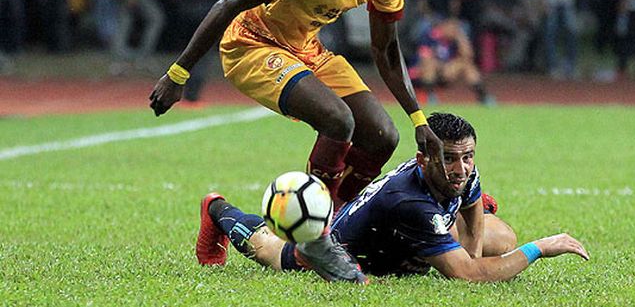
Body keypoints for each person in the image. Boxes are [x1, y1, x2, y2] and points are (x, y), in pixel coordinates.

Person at [149, 0, 443, 280]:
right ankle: (316, 239)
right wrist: (178, 72)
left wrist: (418, 119)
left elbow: (386, 50)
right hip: (253, 42)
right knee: (338, 120)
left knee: (382, 136)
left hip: (306, 48)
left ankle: (337, 221)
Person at [196, 113, 589, 283]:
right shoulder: (408, 200)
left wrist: (466, 252)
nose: (462, 168)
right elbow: (469, 276)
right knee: (272, 251)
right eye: (449, 159)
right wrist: (539, 248)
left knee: (500, 239)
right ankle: (217, 209)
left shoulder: (464, 170)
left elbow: (470, 213)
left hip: (401, 233)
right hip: (343, 249)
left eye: (467, 157)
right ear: (424, 158)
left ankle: (425, 245)